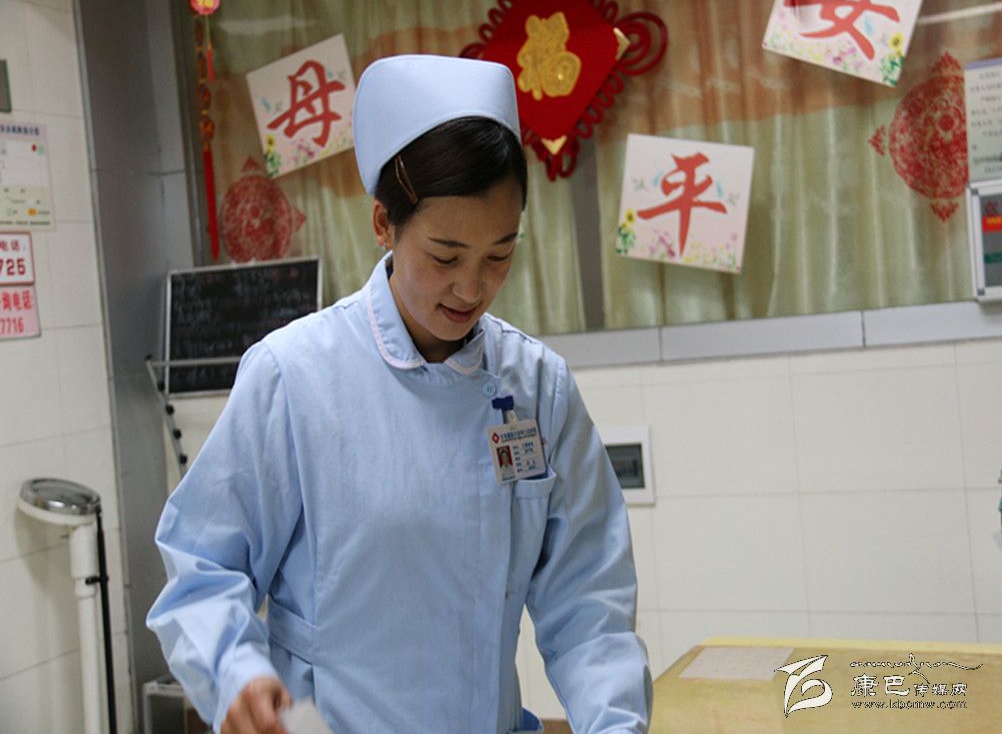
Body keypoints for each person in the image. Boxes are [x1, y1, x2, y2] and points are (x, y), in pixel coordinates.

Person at [147, 54, 651, 734]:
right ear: (384, 224)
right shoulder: (296, 376)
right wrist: (235, 670)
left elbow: (589, 603)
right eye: (445, 256)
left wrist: (616, 724)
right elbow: (205, 564)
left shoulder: (536, 387)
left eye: (499, 255)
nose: (471, 288)